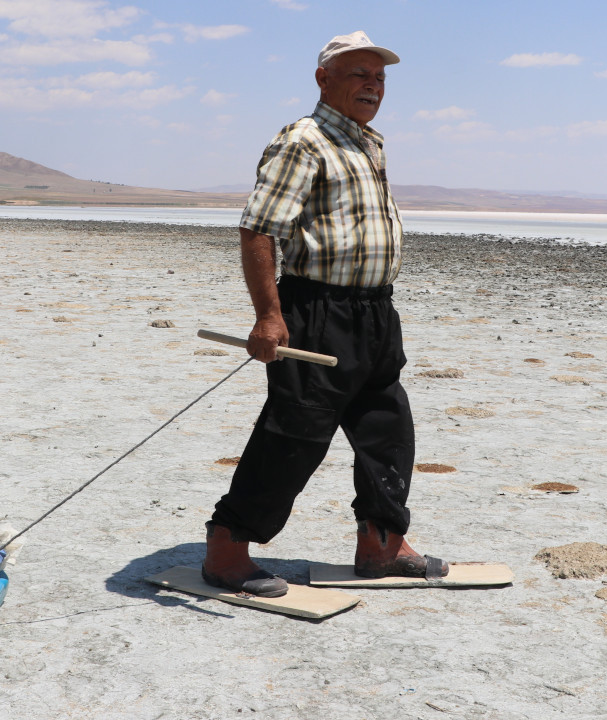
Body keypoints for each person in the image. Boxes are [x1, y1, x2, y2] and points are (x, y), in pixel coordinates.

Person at [202, 31, 449, 598]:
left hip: (375, 311)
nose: (372, 85)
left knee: (387, 430)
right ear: (324, 79)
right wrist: (269, 316)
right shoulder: (303, 141)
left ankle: (381, 543)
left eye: (380, 77)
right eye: (359, 73)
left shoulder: (368, 143)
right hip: (316, 308)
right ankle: (226, 547)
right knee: (296, 432)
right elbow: (259, 228)